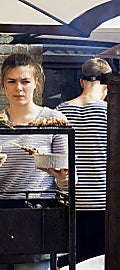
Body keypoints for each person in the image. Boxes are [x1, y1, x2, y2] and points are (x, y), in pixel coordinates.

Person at [55, 58, 120, 268]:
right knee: (101, 262)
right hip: (104, 202)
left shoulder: (59, 112)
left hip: (71, 202)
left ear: (82, 81)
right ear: (108, 85)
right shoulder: (111, 112)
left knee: (77, 262)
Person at [0, 53, 69, 269]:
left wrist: (63, 178)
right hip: (2, 214)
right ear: (3, 84)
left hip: (41, 216)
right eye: (11, 81)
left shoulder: (55, 120)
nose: (18, 88)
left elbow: (67, 181)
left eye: (25, 81)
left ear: (35, 83)